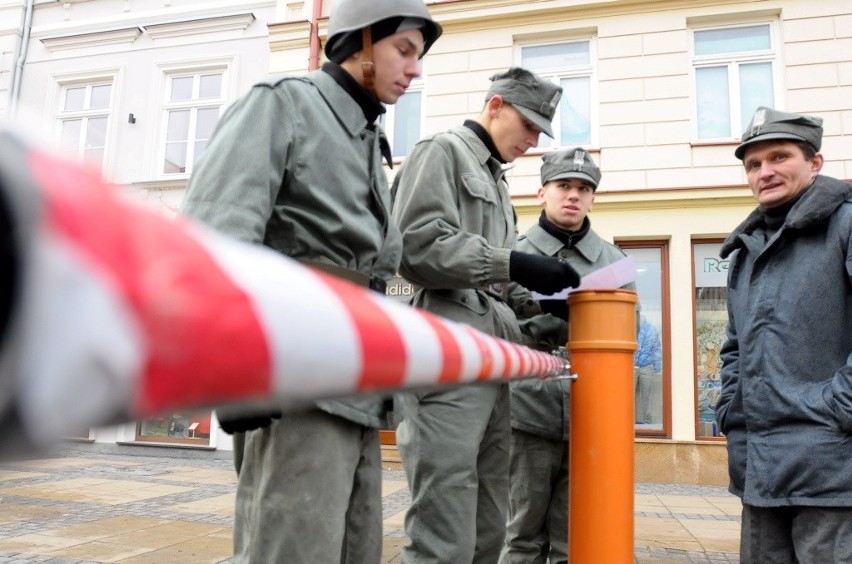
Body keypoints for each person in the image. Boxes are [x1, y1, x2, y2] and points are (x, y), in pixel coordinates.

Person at [180, 0, 442, 562]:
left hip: (361, 387)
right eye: (404, 50)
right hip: (296, 381)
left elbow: (382, 273)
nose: (415, 69)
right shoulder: (283, 105)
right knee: (290, 549)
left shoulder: (370, 143)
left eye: (417, 56)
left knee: (352, 551)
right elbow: (213, 240)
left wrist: (402, 324)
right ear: (360, 42)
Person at [391, 67, 580, 564]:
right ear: (495, 106)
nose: (534, 140)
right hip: (446, 352)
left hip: (491, 362)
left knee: (489, 518)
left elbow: (496, 282)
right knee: (445, 516)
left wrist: (543, 309)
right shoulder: (442, 152)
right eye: (529, 125)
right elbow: (415, 248)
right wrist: (512, 261)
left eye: (541, 131)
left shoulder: (496, 181)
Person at [716, 106, 852, 563]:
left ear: (815, 162)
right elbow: (735, 347)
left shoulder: (846, 225)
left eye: (779, 157)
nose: (765, 171)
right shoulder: (745, 252)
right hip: (759, 467)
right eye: (753, 164)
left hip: (832, 470)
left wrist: (837, 409)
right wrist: (732, 410)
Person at [499, 147, 636, 564]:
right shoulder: (512, 254)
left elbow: (628, 337)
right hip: (527, 407)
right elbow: (497, 326)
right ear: (542, 192)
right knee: (520, 532)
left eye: (583, 188)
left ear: (593, 198)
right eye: (563, 186)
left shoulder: (615, 263)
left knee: (574, 533)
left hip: (591, 413)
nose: (573, 195)